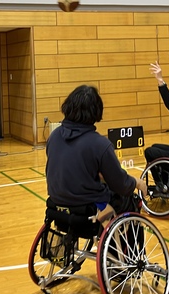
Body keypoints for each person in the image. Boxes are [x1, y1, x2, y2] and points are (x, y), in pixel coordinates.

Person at [46, 85, 147, 223]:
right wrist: (137, 182)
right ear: (96, 111)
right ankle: (124, 244)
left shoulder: (54, 136)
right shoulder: (99, 144)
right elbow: (120, 184)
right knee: (129, 199)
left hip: (56, 201)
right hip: (86, 206)